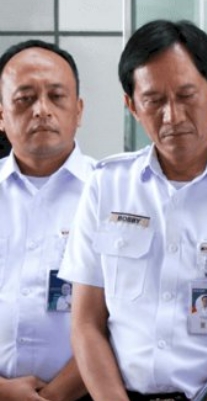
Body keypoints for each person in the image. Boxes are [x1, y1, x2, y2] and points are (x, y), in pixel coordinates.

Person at [59, 20, 207, 401]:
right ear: (132, 106)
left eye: (187, 96)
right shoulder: (107, 185)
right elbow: (86, 323)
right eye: (154, 101)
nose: (172, 116)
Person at [0, 39, 93, 401]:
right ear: (1, 115)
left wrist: (54, 397)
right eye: (25, 99)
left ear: (78, 111)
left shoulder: (113, 195)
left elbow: (126, 317)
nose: (41, 110)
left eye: (56, 97)